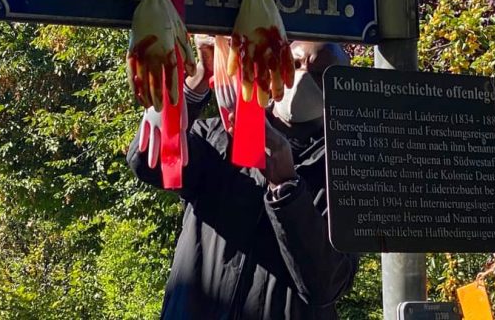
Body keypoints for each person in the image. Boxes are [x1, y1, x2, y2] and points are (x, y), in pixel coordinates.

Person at [127, 40, 359, 319]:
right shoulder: (221, 136)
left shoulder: (344, 171)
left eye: (321, 74)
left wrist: (286, 186)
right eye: (294, 65)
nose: (302, 78)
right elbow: (147, 161)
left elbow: (326, 284)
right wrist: (198, 79)